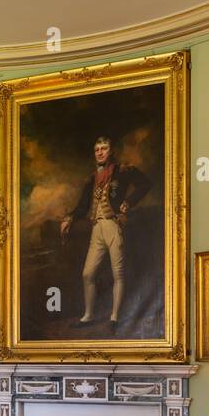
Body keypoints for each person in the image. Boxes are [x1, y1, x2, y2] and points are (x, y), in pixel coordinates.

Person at [60, 136, 151, 326]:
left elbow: (145, 184)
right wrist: (69, 218)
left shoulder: (123, 171)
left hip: (113, 225)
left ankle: (115, 316)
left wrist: (128, 202)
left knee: (118, 273)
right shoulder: (92, 179)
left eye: (104, 148)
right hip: (97, 229)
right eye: (97, 149)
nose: (100, 152)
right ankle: (89, 315)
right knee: (88, 274)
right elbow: (83, 206)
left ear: (111, 151)